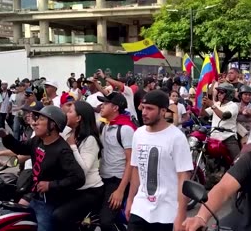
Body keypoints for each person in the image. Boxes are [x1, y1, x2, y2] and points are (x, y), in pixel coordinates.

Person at [0, 105, 86, 231]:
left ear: (53, 125)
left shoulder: (62, 150)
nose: (35, 122)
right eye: (36, 119)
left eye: (41, 120)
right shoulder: (37, 140)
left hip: (50, 202)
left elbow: (78, 178)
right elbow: (21, 148)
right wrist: (6, 137)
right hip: (34, 195)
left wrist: (51, 185)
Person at [126, 90, 193, 231]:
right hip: (140, 209)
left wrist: (181, 214)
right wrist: (131, 200)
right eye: (143, 108)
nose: (144, 112)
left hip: (167, 213)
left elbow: (183, 177)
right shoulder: (138, 134)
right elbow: (137, 169)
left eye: (150, 108)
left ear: (163, 111)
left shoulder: (176, 137)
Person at [54, 101, 105, 229]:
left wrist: (72, 147)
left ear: (79, 118)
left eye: (70, 112)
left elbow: (82, 170)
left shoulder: (90, 140)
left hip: (90, 191)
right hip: (73, 188)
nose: (66, 114)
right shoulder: (68, 134)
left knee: (59, 216)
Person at [98, 92, 137, 231]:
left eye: (105, 103)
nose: (101, 106)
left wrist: (120, 190)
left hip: (117, 180)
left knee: (106, 222)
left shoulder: (125, 129)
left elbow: (131, 162)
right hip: (103, 179)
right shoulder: (105, 125)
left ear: (115, 108)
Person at [200, 83, 240, 159]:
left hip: (228, 138)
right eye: (218, 92)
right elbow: (202, 114)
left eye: (221, 93)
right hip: (214, 137)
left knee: (238, 161)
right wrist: (204, 105)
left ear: (229, 94)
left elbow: (223, 116)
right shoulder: (217, 104)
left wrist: (212, 105)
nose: (218, 94)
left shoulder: (233, 105)